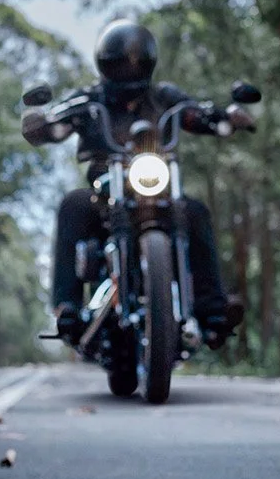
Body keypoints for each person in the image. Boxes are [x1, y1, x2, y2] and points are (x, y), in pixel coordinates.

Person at [26, 20, 242, 348]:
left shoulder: (164, 97)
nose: (128, 68)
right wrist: (45, 123)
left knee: (194, 211)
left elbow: (194, 114)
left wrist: (224, 118)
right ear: (105, 64)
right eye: (120, 62)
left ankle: (213, 311)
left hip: (157, 185)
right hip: (105, 188)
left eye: (135, 62)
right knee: (73, 204)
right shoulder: (89, 98)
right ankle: (66, 307)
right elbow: (58, 122)